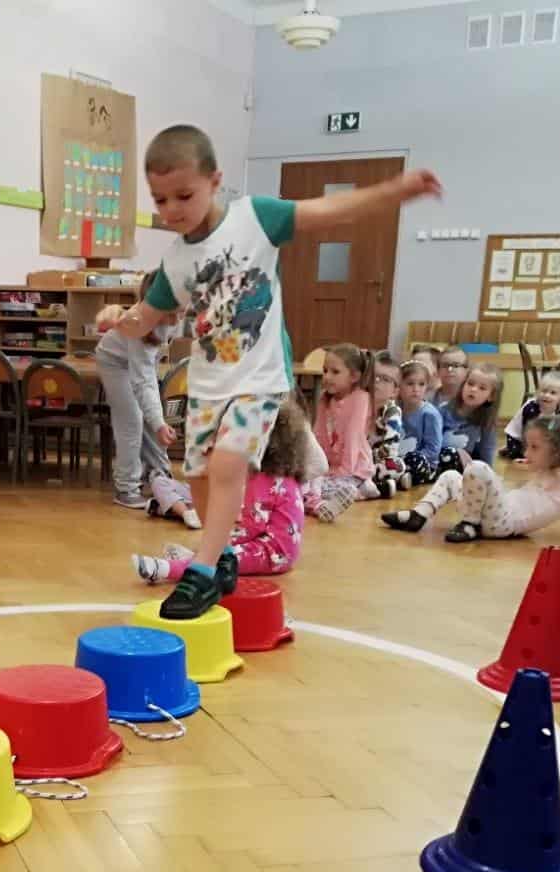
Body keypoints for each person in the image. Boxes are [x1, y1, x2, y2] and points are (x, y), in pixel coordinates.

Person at [96, 124, 442, 617]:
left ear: (215, 181)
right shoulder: (176, 261)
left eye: (184, 195)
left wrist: (395, 190)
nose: (171, 210)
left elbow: (330, 211)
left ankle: (203, 572)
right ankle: (224, 554)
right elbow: (145, 318)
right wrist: (118, 317)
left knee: (228, 463)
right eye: (160, 199)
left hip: (259, 379)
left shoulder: (255, 218)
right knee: (197, 475)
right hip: (209, 384)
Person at [381, 414, 560, 552]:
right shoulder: (552, 470)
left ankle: (470, 524)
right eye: (527, 445)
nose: (527, 452)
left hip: (502, 524)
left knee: (477, 468)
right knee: (452, 476)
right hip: (494, 515)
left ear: (558, 452)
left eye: (535, 447)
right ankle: (419, 514)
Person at [132, 394, 315, 584]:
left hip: (272, 554)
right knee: (214, 553)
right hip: (280, 551)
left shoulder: (263, 479)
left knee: (216, 559)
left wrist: (219, 543)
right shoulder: (280, 474)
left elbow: (252, 527)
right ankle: (189, 559)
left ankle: (166, 569)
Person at [97, 273, 177, 508]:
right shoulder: (138, 325)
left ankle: (159, 474)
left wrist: (158, 422)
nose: (176, 318)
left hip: (141, 364)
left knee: (152, 420)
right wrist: (159, 423)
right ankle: (126, 488)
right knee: (131, 420)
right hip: (114, 363)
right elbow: (143, 382)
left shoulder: (175, 313)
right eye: (171, 313)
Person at [303, 344, 374, 522]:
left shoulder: (361, 398)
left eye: (335, 372)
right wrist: (315, 465)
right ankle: (360, 490)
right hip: (329, 469)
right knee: (303, 483)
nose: (327, 377)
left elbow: (353, 437)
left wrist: (344, 471)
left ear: (354, 376)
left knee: (311, 489)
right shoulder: (324, 399)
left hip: (353, 469)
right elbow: (318, 433)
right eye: (325, 371)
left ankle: (355, 490)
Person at [438, 363, 501, 473]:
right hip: (439, 463)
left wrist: (487, 475)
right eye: (470, 384)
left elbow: (487, 453)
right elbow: (432, 442)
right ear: (463, 385)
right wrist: (456, 451)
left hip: (465, 472)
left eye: (482, 388)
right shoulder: (443, 411)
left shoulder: (487, 422)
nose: (473, 389)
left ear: (491, 396)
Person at [504, 369, 560, 462]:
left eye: (553, 393)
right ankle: (509, 450)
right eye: (544, 391)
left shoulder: (556, 409)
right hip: (517, 438)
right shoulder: (532, 408)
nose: (547, 395)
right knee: (520, 454)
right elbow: (527, 433)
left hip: (537, 437)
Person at [396, 358, 444, 486]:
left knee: (415, 461)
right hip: (398, 459)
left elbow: (433, 450)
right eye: (410, 383)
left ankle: (404, 478)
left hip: (423, 463)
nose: (416, 389)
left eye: (421, 384)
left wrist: (405, 460)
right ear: (399, 386)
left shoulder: (430, 414)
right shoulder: (395, 409)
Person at [367, 350, 404, 498]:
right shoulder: (359, 404)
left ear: (394, 391)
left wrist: (369, 457)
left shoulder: (392, 412)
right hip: (356, 460)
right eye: (374, 377)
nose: (377, 382)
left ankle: (381, 484)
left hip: (379, 459)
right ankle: (380, 485)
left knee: (396, 466)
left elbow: (389, 449)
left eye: (385, 379)